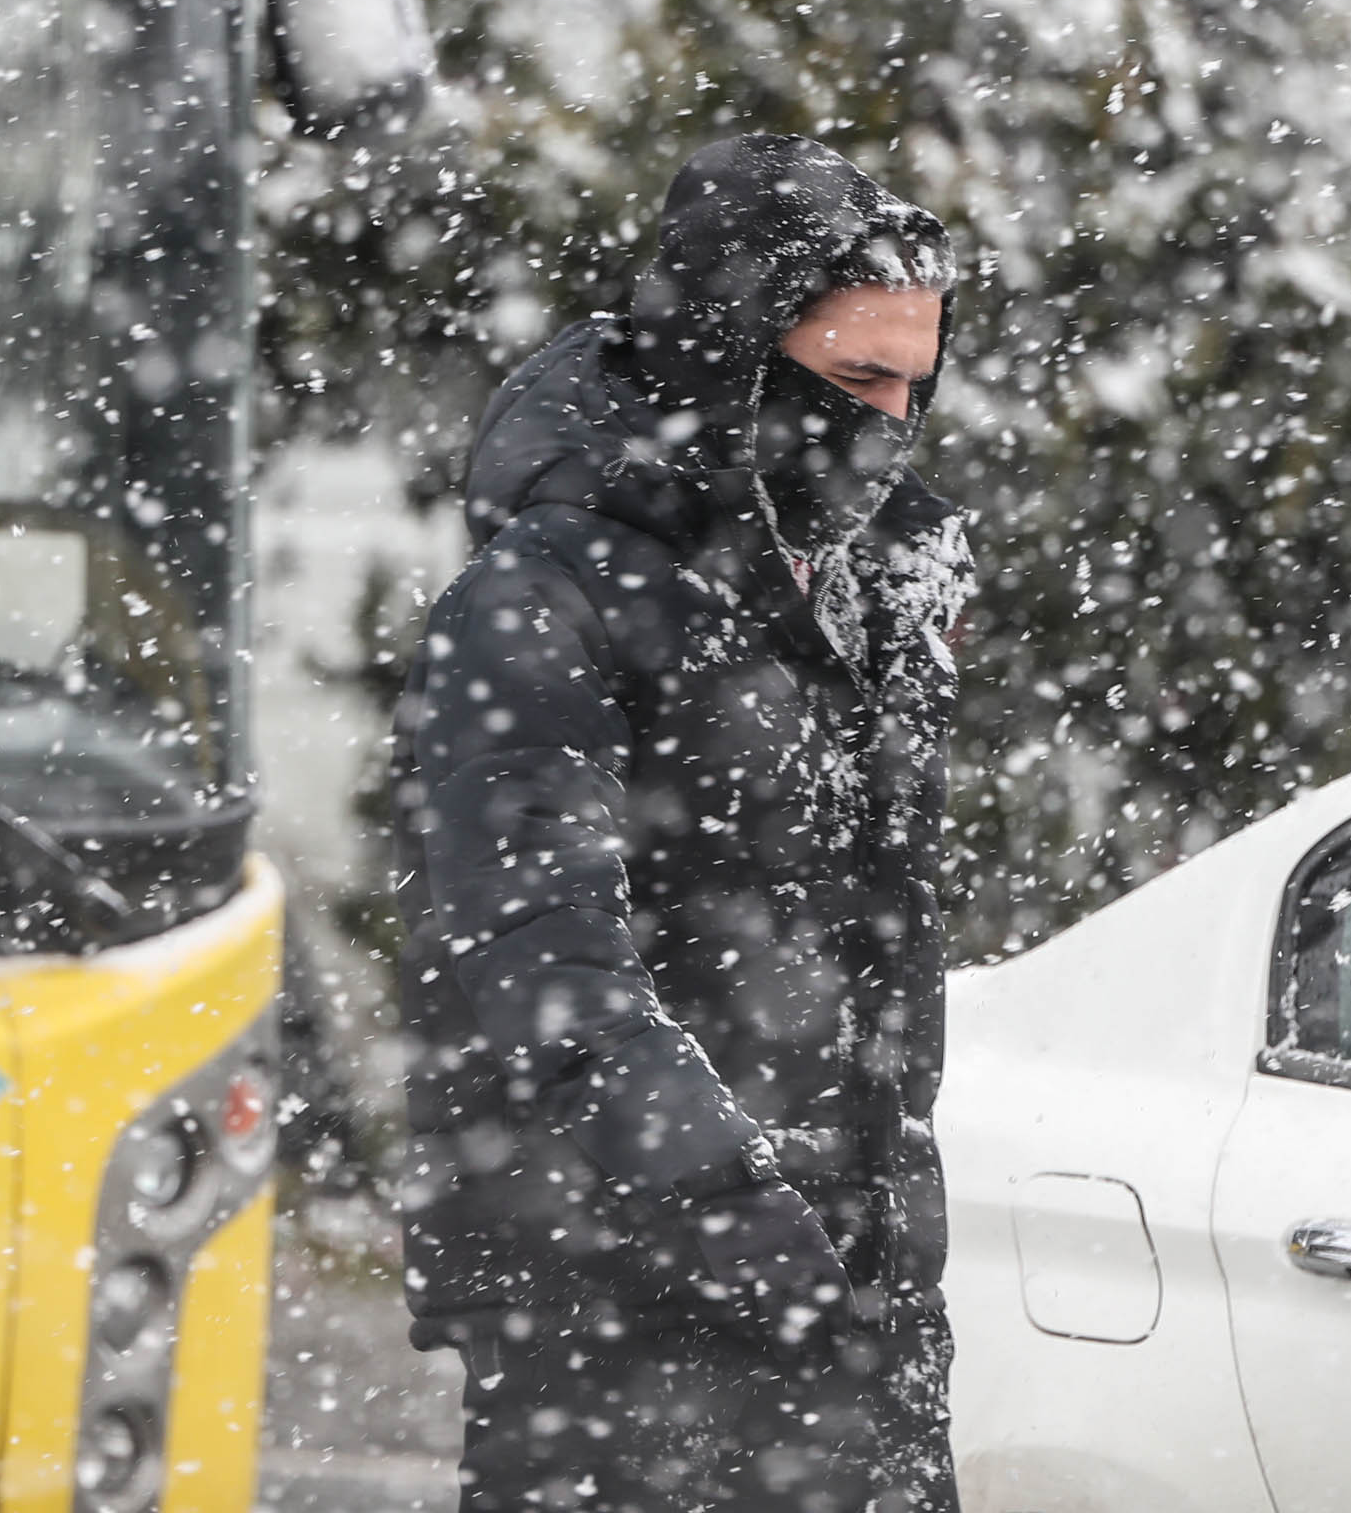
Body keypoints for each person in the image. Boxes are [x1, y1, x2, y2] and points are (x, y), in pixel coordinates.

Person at [388, 134, 974, 1512]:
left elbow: (876, 947)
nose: (885, 428)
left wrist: (875, 1258)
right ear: (731, 354)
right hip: (604, 1294)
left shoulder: (873, 590)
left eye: (911, 388)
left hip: (842, 1281)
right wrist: (738, 1219)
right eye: (850, 381)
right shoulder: (543, 595)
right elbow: (540, 955)